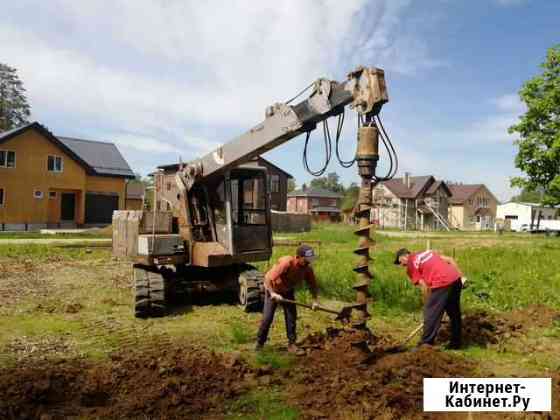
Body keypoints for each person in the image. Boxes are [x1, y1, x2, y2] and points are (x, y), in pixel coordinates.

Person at [394, 248, 464, 349]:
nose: (402, 265)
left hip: (442, 282)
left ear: (404, 256)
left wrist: (427, 305)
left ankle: (425, 344)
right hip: (455, 279)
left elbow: (424, 287)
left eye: (400, 262)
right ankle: (456, 343)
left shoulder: (411, 265)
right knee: (454, 313)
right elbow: (450, 260)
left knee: (430, 314)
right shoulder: (426, 252)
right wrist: (461, 277)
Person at [256, 244, 319, 354]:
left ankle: (292, 344)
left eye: (310, 260)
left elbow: (313, 285)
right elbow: (267, 278)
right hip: (273, 290)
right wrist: (273, 293)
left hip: (287, 291)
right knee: (267, 318)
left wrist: (315, 301)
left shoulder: (307, 269)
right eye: (306, 260)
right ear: (298, 257)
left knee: (291, 317)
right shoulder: (287, 263)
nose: (308, 262)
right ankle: (259, 344)